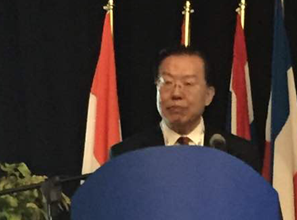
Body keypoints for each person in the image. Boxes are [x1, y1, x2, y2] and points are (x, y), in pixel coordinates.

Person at [110, 45, 260, 171]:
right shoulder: (127, 154)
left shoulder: (238, 154)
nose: (176, 94)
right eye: (167, 82)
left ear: (208, 95)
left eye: (188, 83)